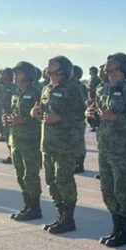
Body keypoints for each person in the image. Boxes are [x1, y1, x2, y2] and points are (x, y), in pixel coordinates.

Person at [87, 53, 126, 247]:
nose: (107, 67)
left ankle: (125, 231)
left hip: (122, 148)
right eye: (107, 64)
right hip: (104, 146)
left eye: (112, 64)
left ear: (122, 69)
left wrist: (116, 117)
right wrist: (92, 116)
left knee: (123, 189)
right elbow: (100, 115)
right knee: (107, 190)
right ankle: (116, 228)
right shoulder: (102, 89)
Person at [32, 55, 83, 235]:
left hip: (65, 144)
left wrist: (60, 118)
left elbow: (80, 116)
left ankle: (69, 219)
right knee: (51, 180)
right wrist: (35, 112)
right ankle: (60, 215)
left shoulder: (72, 89)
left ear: (61, 69)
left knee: (64, 180)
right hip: (48, 142)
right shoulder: (46, 88)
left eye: (51, 63)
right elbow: (45, 110)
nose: (47, 65)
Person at [5, 61, 43, 220]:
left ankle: (35, 208)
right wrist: (9, 119)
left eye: (18, 72)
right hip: (17, 139)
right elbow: (17, 114)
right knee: (21, 174)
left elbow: (42, 116)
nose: (14, 75)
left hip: (31, 140)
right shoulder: (16, 93)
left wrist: (25, 119)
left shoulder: (36, 93)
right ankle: (27, 205)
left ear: (27, 76)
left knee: (31, 175)